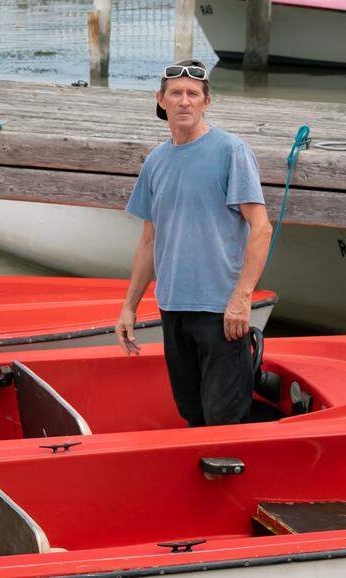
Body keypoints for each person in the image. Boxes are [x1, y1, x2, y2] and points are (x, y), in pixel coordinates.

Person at [115, 59, 272, 427]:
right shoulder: (155, 162)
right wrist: (129, 307)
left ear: (206, 102)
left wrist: (242, 298)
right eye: (176, 94)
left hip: (221, 313)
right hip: (173, 309)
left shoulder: (230, 151)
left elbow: (261, 228)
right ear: (161, 100)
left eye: (193, 94)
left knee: (224, 420)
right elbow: (149, 239)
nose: (184, 101)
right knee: (192, 416)